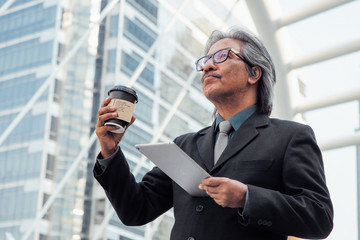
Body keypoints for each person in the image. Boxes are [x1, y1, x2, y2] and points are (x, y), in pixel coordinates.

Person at [94, 28, 333, 240]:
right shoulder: (184, 145)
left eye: (222, 56)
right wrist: (110, 150)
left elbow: (319, 217)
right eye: (206, 60)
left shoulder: (290, 137)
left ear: (254, 73)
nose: (207, 66)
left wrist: (247, 197)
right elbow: (136, 209)